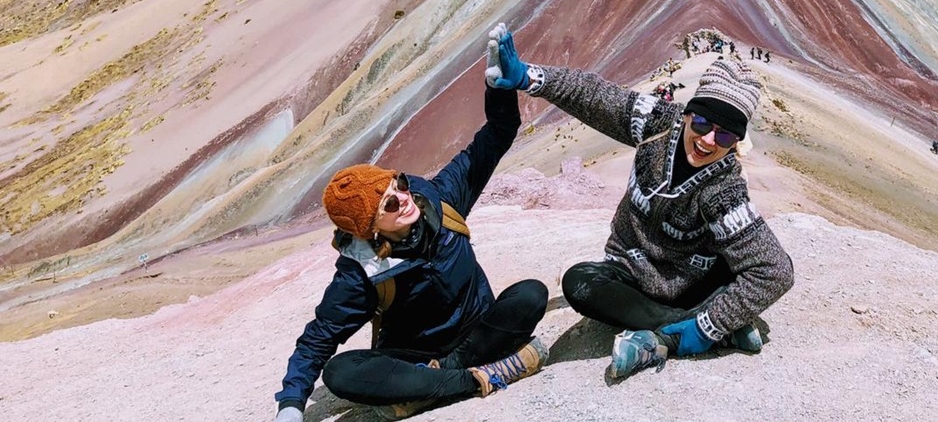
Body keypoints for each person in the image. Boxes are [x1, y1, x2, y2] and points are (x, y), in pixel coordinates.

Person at [484, 24, 794, 381]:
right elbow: (594, 96)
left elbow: (775, 270)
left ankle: (675, 336)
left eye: (724, 134)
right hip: (630, 270)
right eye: (704, 122)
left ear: (736, 140)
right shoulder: (658, 125)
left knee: (739, 266)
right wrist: (528, 77)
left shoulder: (723, 190)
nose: (708, 141)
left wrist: (700, 333)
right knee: (579, 282)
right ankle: (705, 326)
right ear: (689, 113)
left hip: (691, 282)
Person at [272, 83, 548, 422]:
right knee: (339, 373)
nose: (403, 197)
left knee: (531, 295)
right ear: (369, 229)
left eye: (398, 184)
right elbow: (318, 338)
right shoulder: (361, 271)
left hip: (477, 333)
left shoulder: (439, 198)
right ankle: (476, 378)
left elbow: (497, 133)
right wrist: (290, 405)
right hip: (413, 354)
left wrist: (498, 87)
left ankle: (429, 387)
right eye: (389, 202)